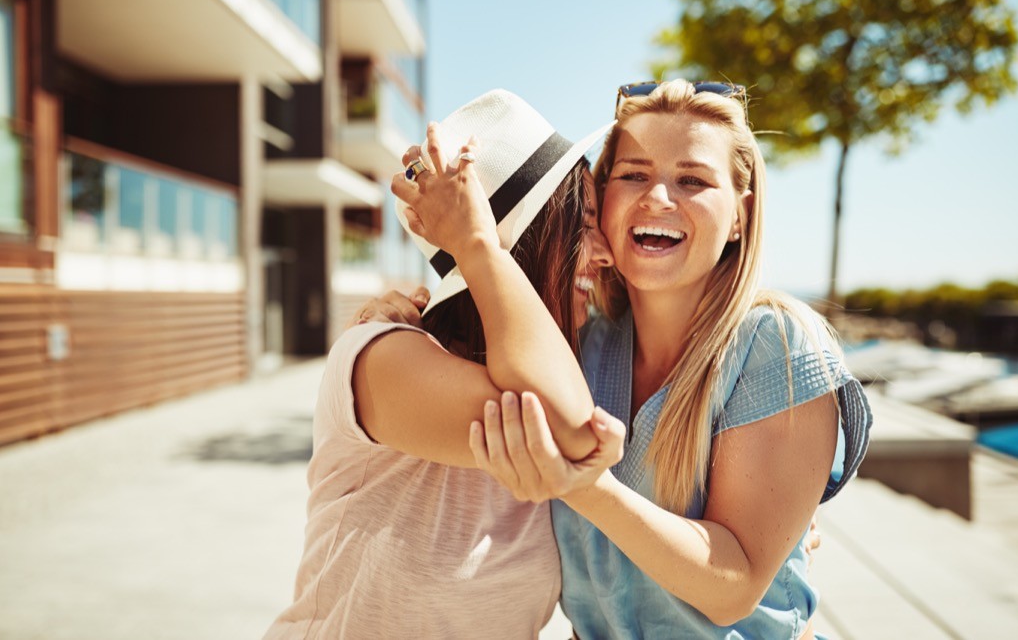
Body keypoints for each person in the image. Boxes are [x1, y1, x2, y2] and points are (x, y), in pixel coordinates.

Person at [410, 79, 872, 638]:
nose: (658, 198)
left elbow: (734, 588)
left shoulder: (777, 342)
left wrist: (582, 485)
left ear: (739, 218)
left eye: (693, 180)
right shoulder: (579, 344)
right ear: (601, 198)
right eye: (633, 174)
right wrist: (407, 310)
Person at [262, 90, 624, 639]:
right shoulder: (381, 356)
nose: (606, 253)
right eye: (585, 224)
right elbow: (567, 430)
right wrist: (477, 246)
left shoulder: (564, 366)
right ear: (527, 241)